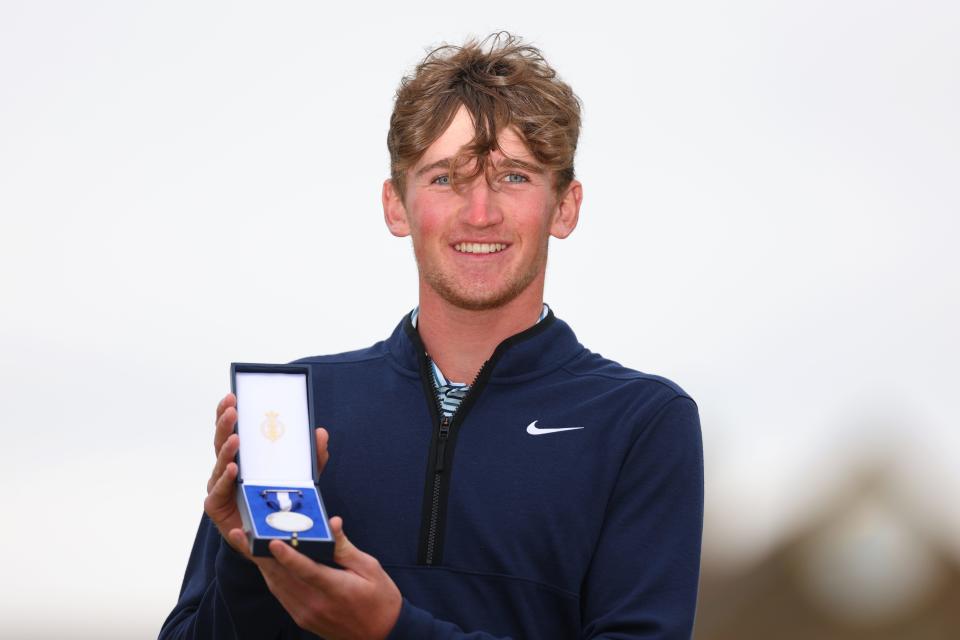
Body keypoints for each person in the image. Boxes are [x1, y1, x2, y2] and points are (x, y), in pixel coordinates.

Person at [160, 32, 704, 640]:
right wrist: (250, 561)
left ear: (565, 207)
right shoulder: (297, 406)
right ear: (396, 205)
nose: (480, 213)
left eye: (514, 177)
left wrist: (391, 629)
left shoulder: (641, 422)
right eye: (445, 179)